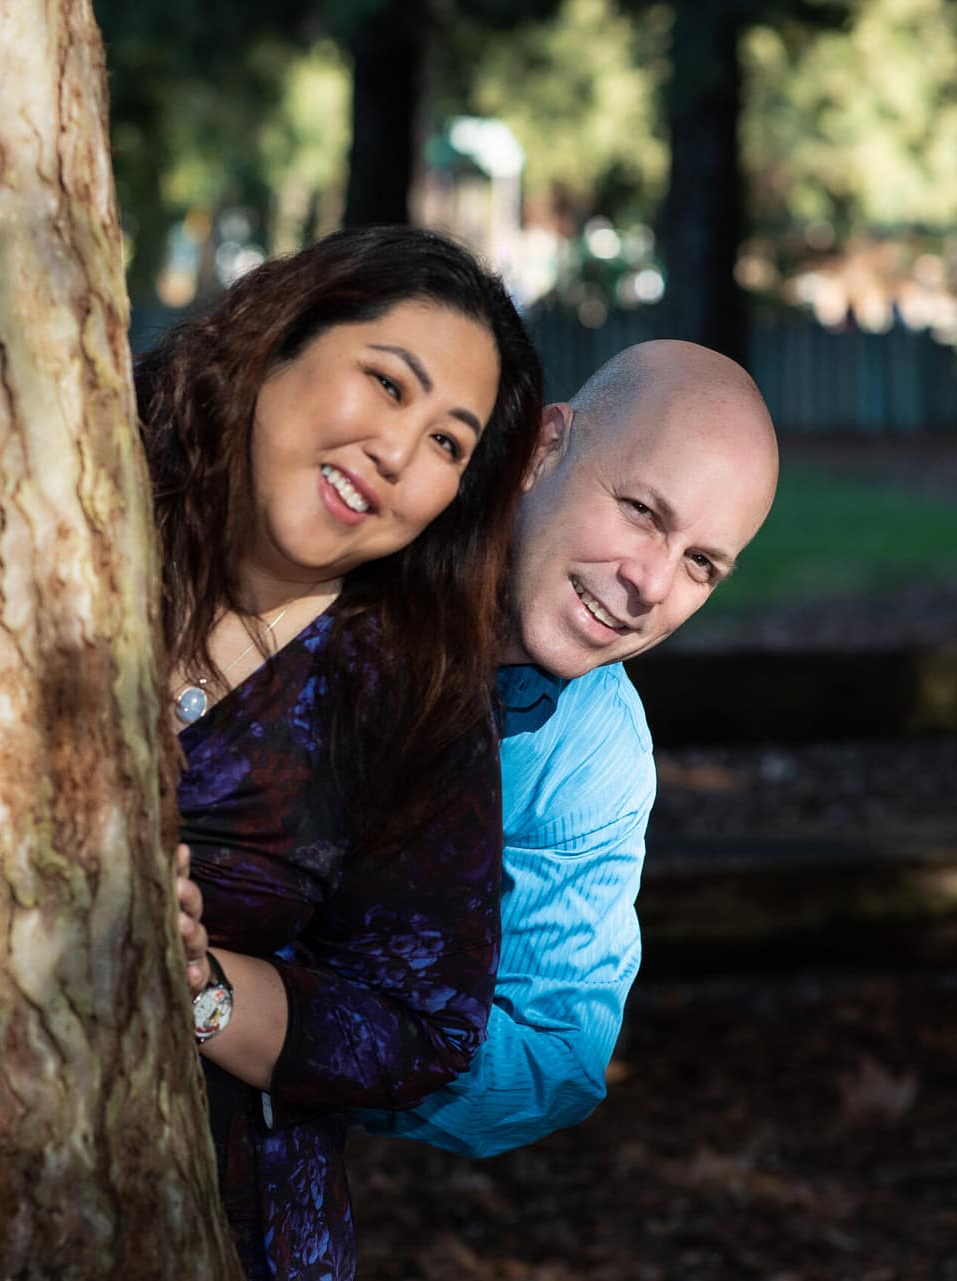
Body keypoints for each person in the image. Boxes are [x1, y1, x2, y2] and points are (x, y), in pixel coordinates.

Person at [181, 339, 780, 1158]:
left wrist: (292, 1013)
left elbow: (552, 1059)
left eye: (701, 564)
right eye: (642, 511)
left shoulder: (593, 752)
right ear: (542, 446)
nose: (650, 582)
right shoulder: (363, 530)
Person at [138, 225, 543, 1280]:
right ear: (275, 345)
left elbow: (420, 1025)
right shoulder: (61, 522)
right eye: (386, 385)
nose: (400, 455)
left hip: (224, 1228)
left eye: (450, 443)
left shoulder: (411, 698)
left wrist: (194, 989)